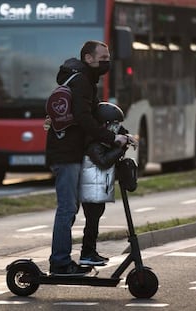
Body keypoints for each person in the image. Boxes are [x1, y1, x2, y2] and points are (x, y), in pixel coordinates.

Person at [45, 40, 133, 276]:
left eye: (108, 57)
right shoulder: (81, 81)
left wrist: (120, 133)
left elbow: (93, 115)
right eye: (102, 57)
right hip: (65, 153)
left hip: (69, 151)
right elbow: (85, 119)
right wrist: (112, 139)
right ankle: (60, 263)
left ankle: (66, 259)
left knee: (71, 207)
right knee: (67, 208)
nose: (107, 61)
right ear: (88, 58)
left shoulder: (82, 79)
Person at [79, 102, 135, 266]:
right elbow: (103, 161)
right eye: (114, 124)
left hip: (98, 186)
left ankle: (90, 251)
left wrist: (125, 138)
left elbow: (119, 134)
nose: (117, 128)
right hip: (92, 187)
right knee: (92, 220)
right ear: (104, 124)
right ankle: (87, 253)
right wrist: (121, 148)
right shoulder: (95, 143)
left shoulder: (103, 139)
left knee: (95, 218)